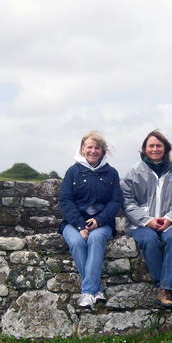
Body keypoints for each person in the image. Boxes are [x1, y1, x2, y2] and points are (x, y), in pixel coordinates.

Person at [122, 130, 172, 309]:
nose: (155, 149)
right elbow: (128, 202)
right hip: (141, 224)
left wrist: (169, 219)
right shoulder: (134, 172)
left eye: (158, 145)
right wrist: (146, 221)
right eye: (151, 146)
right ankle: (167, 289)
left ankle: (164, 290)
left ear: (165, 148)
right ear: (144, 149)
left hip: (170, 223)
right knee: (149, 240)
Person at [58, 131, 123, 309]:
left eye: (97, 148)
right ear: (82, 148)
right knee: (78, 242)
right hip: (73, 223)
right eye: (89, 147)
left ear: (103, 151)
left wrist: (98, 221)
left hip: (102, 223)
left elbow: (115, 201)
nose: (93, 151)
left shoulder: (111, 173)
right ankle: (97, 290)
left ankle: (87, 292)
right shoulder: (73, 171)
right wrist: (80, 226)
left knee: (95, 239)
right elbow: (65, 200)